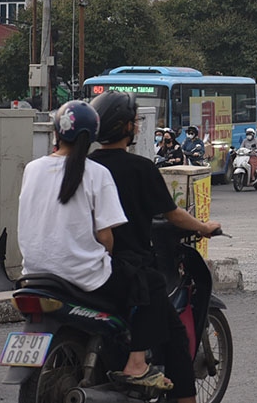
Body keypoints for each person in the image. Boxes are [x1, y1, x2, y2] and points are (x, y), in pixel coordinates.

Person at [17, 102, 165, 387]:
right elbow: (107, 238)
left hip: (33, 274)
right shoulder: (97, 174)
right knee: (151, 282)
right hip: (82, 277)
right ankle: (136, 364)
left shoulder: (33, 169)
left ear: (57, 133)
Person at [89, 91, 222, 400]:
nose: (137, 127)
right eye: (134, 122)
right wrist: (204, 227)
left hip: (90, 265)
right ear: (124, 127)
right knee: (175, 336)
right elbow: (173, 214)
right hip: (130, 265)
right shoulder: (141, 168)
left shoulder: (87, 166)